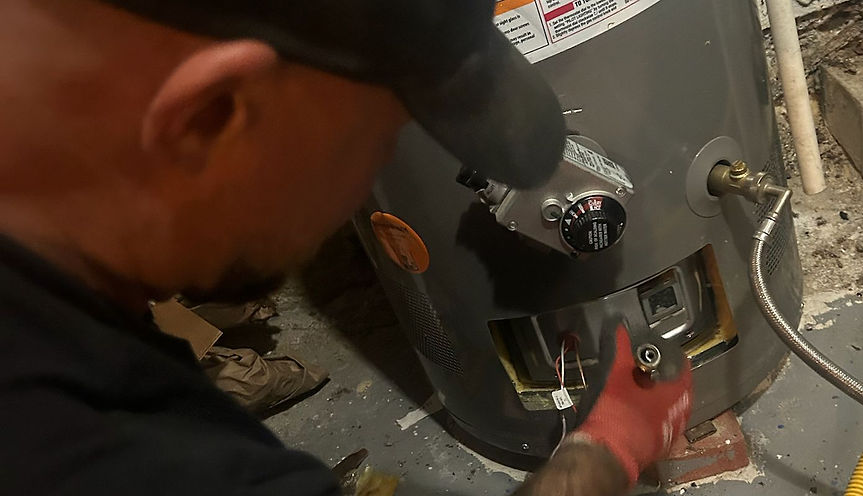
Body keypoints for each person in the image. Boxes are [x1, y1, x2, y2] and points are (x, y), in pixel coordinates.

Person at [0, 0, 693, 495]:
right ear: (210, 119)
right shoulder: (119, 458)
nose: (364, 185)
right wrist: (603, 457)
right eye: (379, 142)